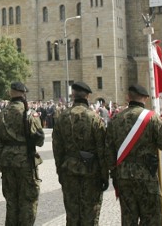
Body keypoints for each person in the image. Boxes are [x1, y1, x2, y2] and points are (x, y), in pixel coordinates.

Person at [105, 84, 162, 225]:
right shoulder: (151, 118)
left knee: (128, 219)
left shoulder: (116, 120)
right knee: (150, 218)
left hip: (123, 176)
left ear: (128, 97)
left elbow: (108, 152)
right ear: (146, 98)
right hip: (146, 175)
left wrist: (114, 174)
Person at [53, 81, 108, 226]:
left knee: (72, 215)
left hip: (68, 170)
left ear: (73, 95)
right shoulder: (94, 118)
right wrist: (105, 175)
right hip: (91, 171)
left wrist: (60, 171)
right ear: (88, 96)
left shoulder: (62, 117)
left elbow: (57, 149)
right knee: (90, 215)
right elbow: (102, 150)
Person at [0, 81, 44, 226]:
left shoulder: (2, 113)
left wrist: (2, 162)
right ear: (24, 93)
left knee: (11, 202)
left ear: (11, 93)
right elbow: (39, 140)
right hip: (25, 162)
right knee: (28, 202)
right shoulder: (29, 113)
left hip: (7, 161)